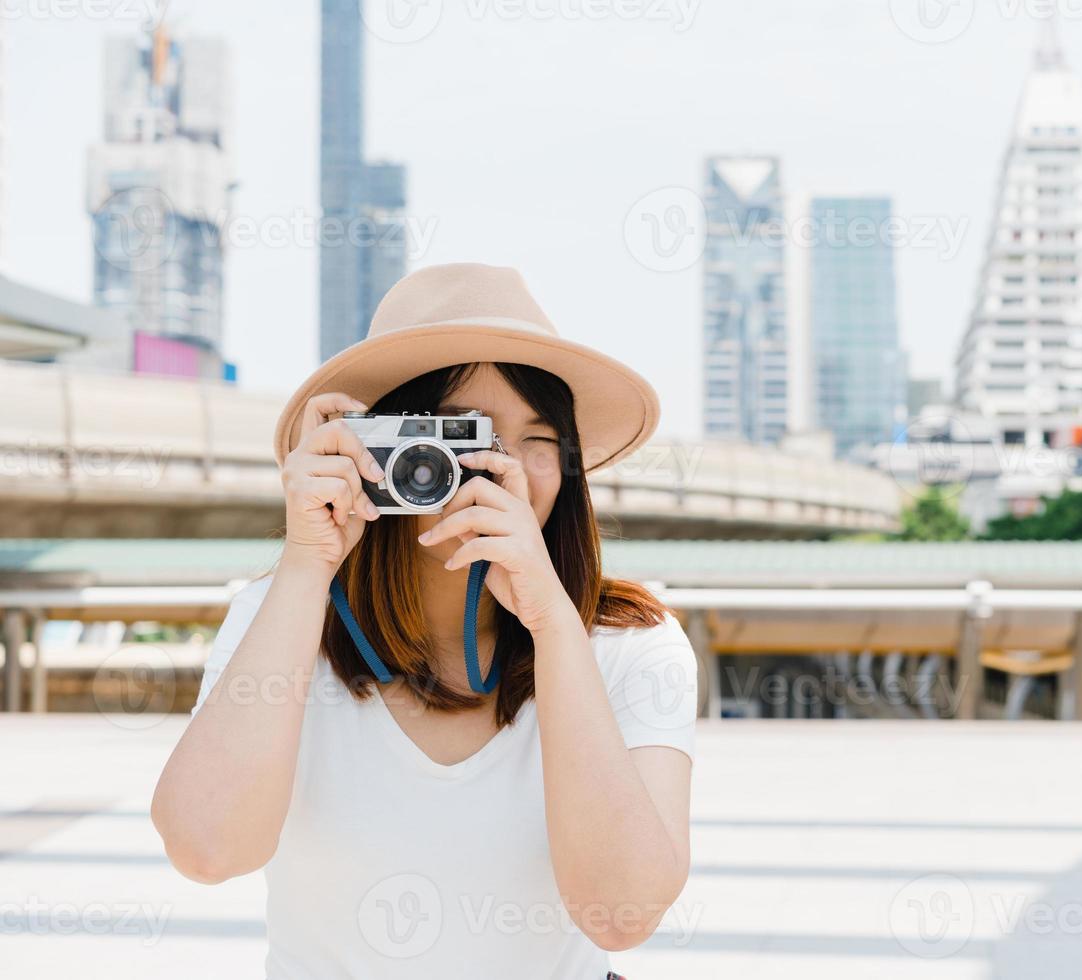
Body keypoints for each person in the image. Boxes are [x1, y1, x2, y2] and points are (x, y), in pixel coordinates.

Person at [152, 264, 696, 979]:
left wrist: (554, 623)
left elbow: (621, 916)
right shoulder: (283, 616)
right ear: (378, 448)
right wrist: (307, 562)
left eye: (536, 438)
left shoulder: (629, 643)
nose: (495, 465)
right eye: (459, 432)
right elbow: (207, 849)